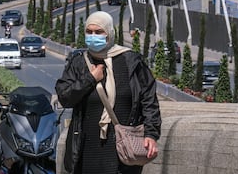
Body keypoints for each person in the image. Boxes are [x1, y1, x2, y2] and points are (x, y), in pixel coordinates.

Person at [55, 11, 161, 174]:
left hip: (123, 150)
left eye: (98, 32)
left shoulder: (131, 61)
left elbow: (149, 101)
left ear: (110, 33)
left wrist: (151, 134)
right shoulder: (78, 63)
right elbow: (65, 97)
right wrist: (90, 78)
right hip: (87, 151)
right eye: (89, 32)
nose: (93, 36)